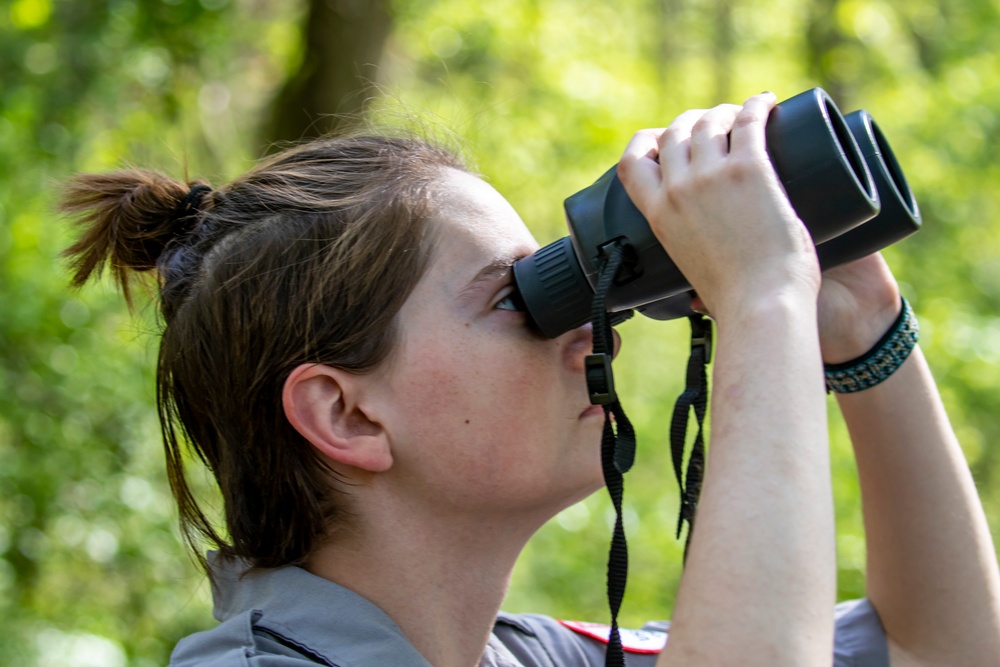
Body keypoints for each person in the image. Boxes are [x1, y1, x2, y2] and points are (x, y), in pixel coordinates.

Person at [60, 93, 1000, 667]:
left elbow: (937, 648)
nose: (591, 328)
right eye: (519, 299)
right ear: (345, 411)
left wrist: (855, 323)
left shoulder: (526, 656)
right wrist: (760, 303)